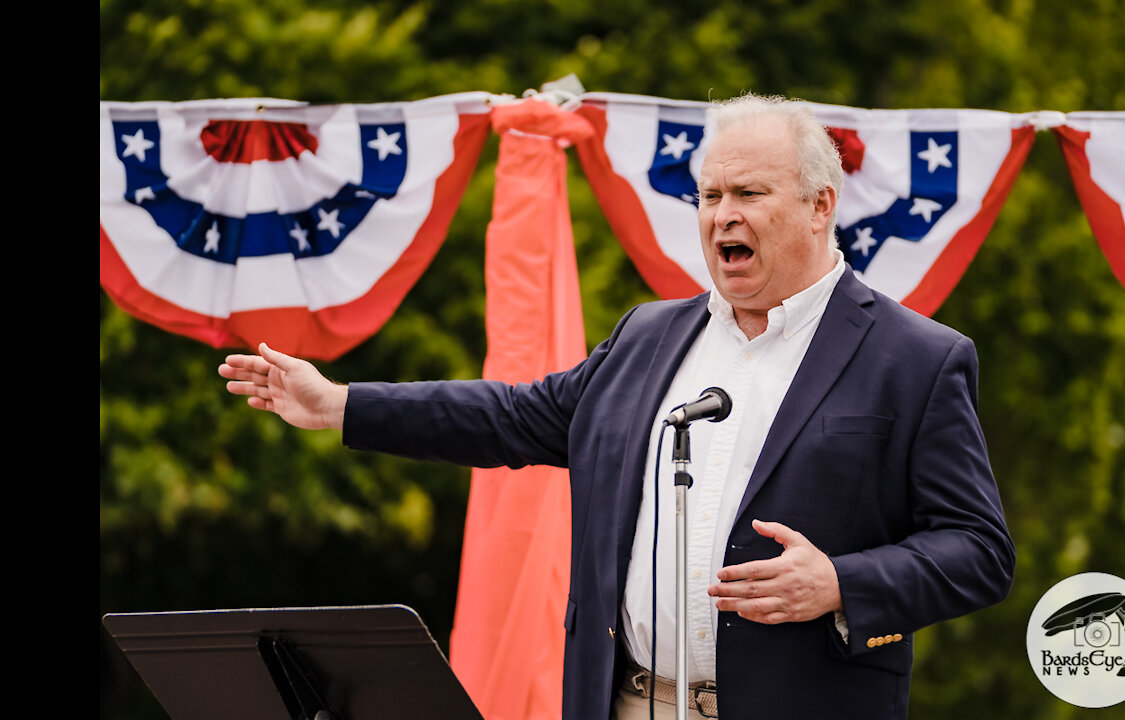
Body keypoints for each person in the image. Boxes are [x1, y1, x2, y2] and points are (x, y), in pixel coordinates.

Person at [220, 94, 1015, 720]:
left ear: (820, 206)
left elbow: (980, 550)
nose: (721, 216)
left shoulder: (916, 359)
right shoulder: (648, 335)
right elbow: (509, 418)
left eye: (748, 193)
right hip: (622, 702)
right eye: (708, 195)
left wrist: (841, 582)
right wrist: (342, 406)